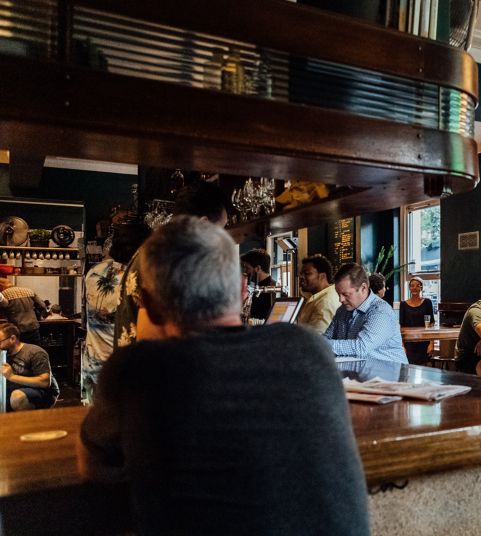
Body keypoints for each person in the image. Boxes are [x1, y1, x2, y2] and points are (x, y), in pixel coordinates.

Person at [78, 216, 369, 535]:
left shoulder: (137, 369)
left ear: (148, 304)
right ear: (243, 290)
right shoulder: (310, 349)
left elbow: (92, 467)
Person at [114, 181, 230, 347]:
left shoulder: (153, 251)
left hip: (133, 365)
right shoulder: (172, 261)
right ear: (203, 225)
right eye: (221, 229)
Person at [82, 220, 150, 404]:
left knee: (96, 422)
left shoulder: (93, 272)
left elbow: (85, 315)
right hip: (121, 367)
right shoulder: (138, 276)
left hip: (93, 361)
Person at [324, 263, 408, 364]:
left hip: (390, 374)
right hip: (359, 374)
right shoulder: (342, 310)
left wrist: (319, 344)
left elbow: (361, 347)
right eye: (339, 294)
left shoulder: (381, 311)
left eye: (345, 294)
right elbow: (327, 337)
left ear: (363, 288)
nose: (340, 299)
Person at [1, 324, 59, 411]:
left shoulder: (34, 352)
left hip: (42, 391)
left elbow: (45, 382)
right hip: (16, 388)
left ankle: (33, 422)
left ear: (12, 339)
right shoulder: (4, 353)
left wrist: (12, 376)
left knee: (17, 398)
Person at [297, 254, 340, 334]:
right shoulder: (317, 297)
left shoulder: (325, 302)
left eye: (307, 273)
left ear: (322, 276)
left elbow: (316, 339)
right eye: (301, 274)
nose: (301, 277)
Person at [399, 275, 434, 365]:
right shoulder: (403, 304)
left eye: (417, 285)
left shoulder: (427, 302)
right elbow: (401, 326)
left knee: (424, 370)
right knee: (409, 370)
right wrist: (402, 345)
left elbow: (431, 324)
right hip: (409, 344)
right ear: (409, 288)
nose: (414, 288)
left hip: (424, 342)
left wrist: (431, 343)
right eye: (412, 285)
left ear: (421, 288)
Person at [0, 278, 47, 343]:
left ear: (1, 286)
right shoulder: (28, 290)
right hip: (33, 327)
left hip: (17, 329)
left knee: (19, 351)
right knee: (34, 349)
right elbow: (42, 305)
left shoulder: (3, 295)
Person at [240, 248, 277, 321]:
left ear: (257, 268)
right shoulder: (255, 288)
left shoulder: (273, 291)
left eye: (247, 268)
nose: (245, 272)